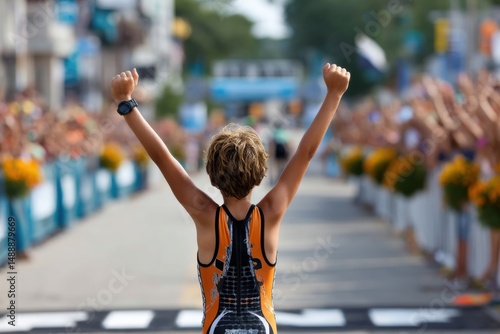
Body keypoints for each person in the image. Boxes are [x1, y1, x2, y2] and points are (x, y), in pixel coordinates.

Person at [110, 64, 350, 333]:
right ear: (260, 176)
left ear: (211, 178)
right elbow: (305, 153)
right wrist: (334, 94)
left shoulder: (205, 214)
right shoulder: (270, 212)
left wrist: (126, 104)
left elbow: (163, 158)